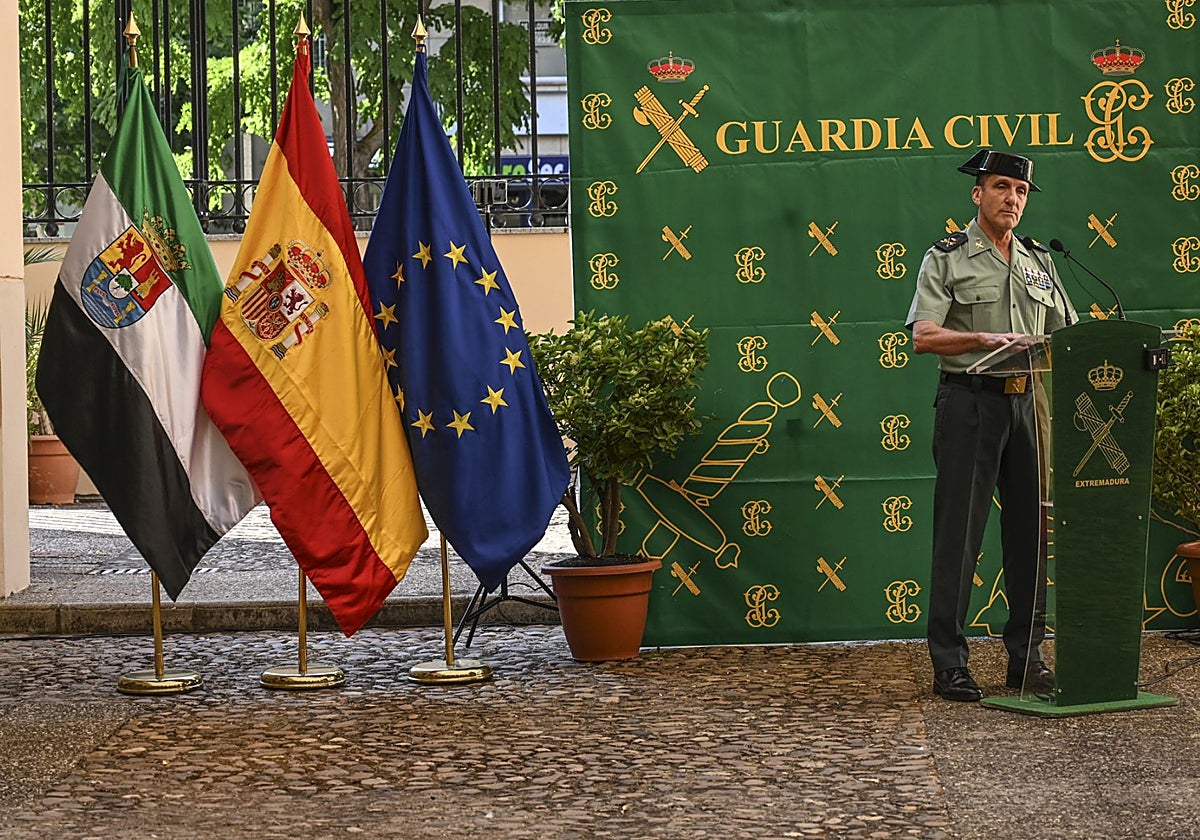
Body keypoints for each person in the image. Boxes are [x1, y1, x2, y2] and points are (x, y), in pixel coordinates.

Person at [905, 149, 1077, 702]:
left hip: (1031, 406)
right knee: (959, 535)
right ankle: (950, 664)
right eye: (1001, 187)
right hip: (970, 404)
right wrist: (982, 339)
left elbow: (1068, 335)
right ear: (977, 194)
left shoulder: (1038, 262)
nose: (1012, 199)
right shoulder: (947, 258)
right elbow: (923, 336)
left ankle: (1028, 659)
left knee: (1030, 535)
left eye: (1021, 191)